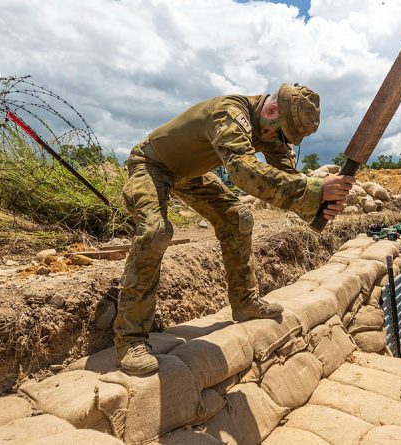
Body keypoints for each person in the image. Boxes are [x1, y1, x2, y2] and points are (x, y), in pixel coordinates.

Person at [116, 83, 354, 375]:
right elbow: (243, 172)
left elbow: (288, 179)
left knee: (238, 217)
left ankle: (244, 301)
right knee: (156, 232)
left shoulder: (272, 129)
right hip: (151, 165)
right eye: (280, 134)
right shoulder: (230, 113)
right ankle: (130, 339)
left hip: (189, 174)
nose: (280, 141)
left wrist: (319, 205)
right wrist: (316, 189)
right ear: (272, 109)